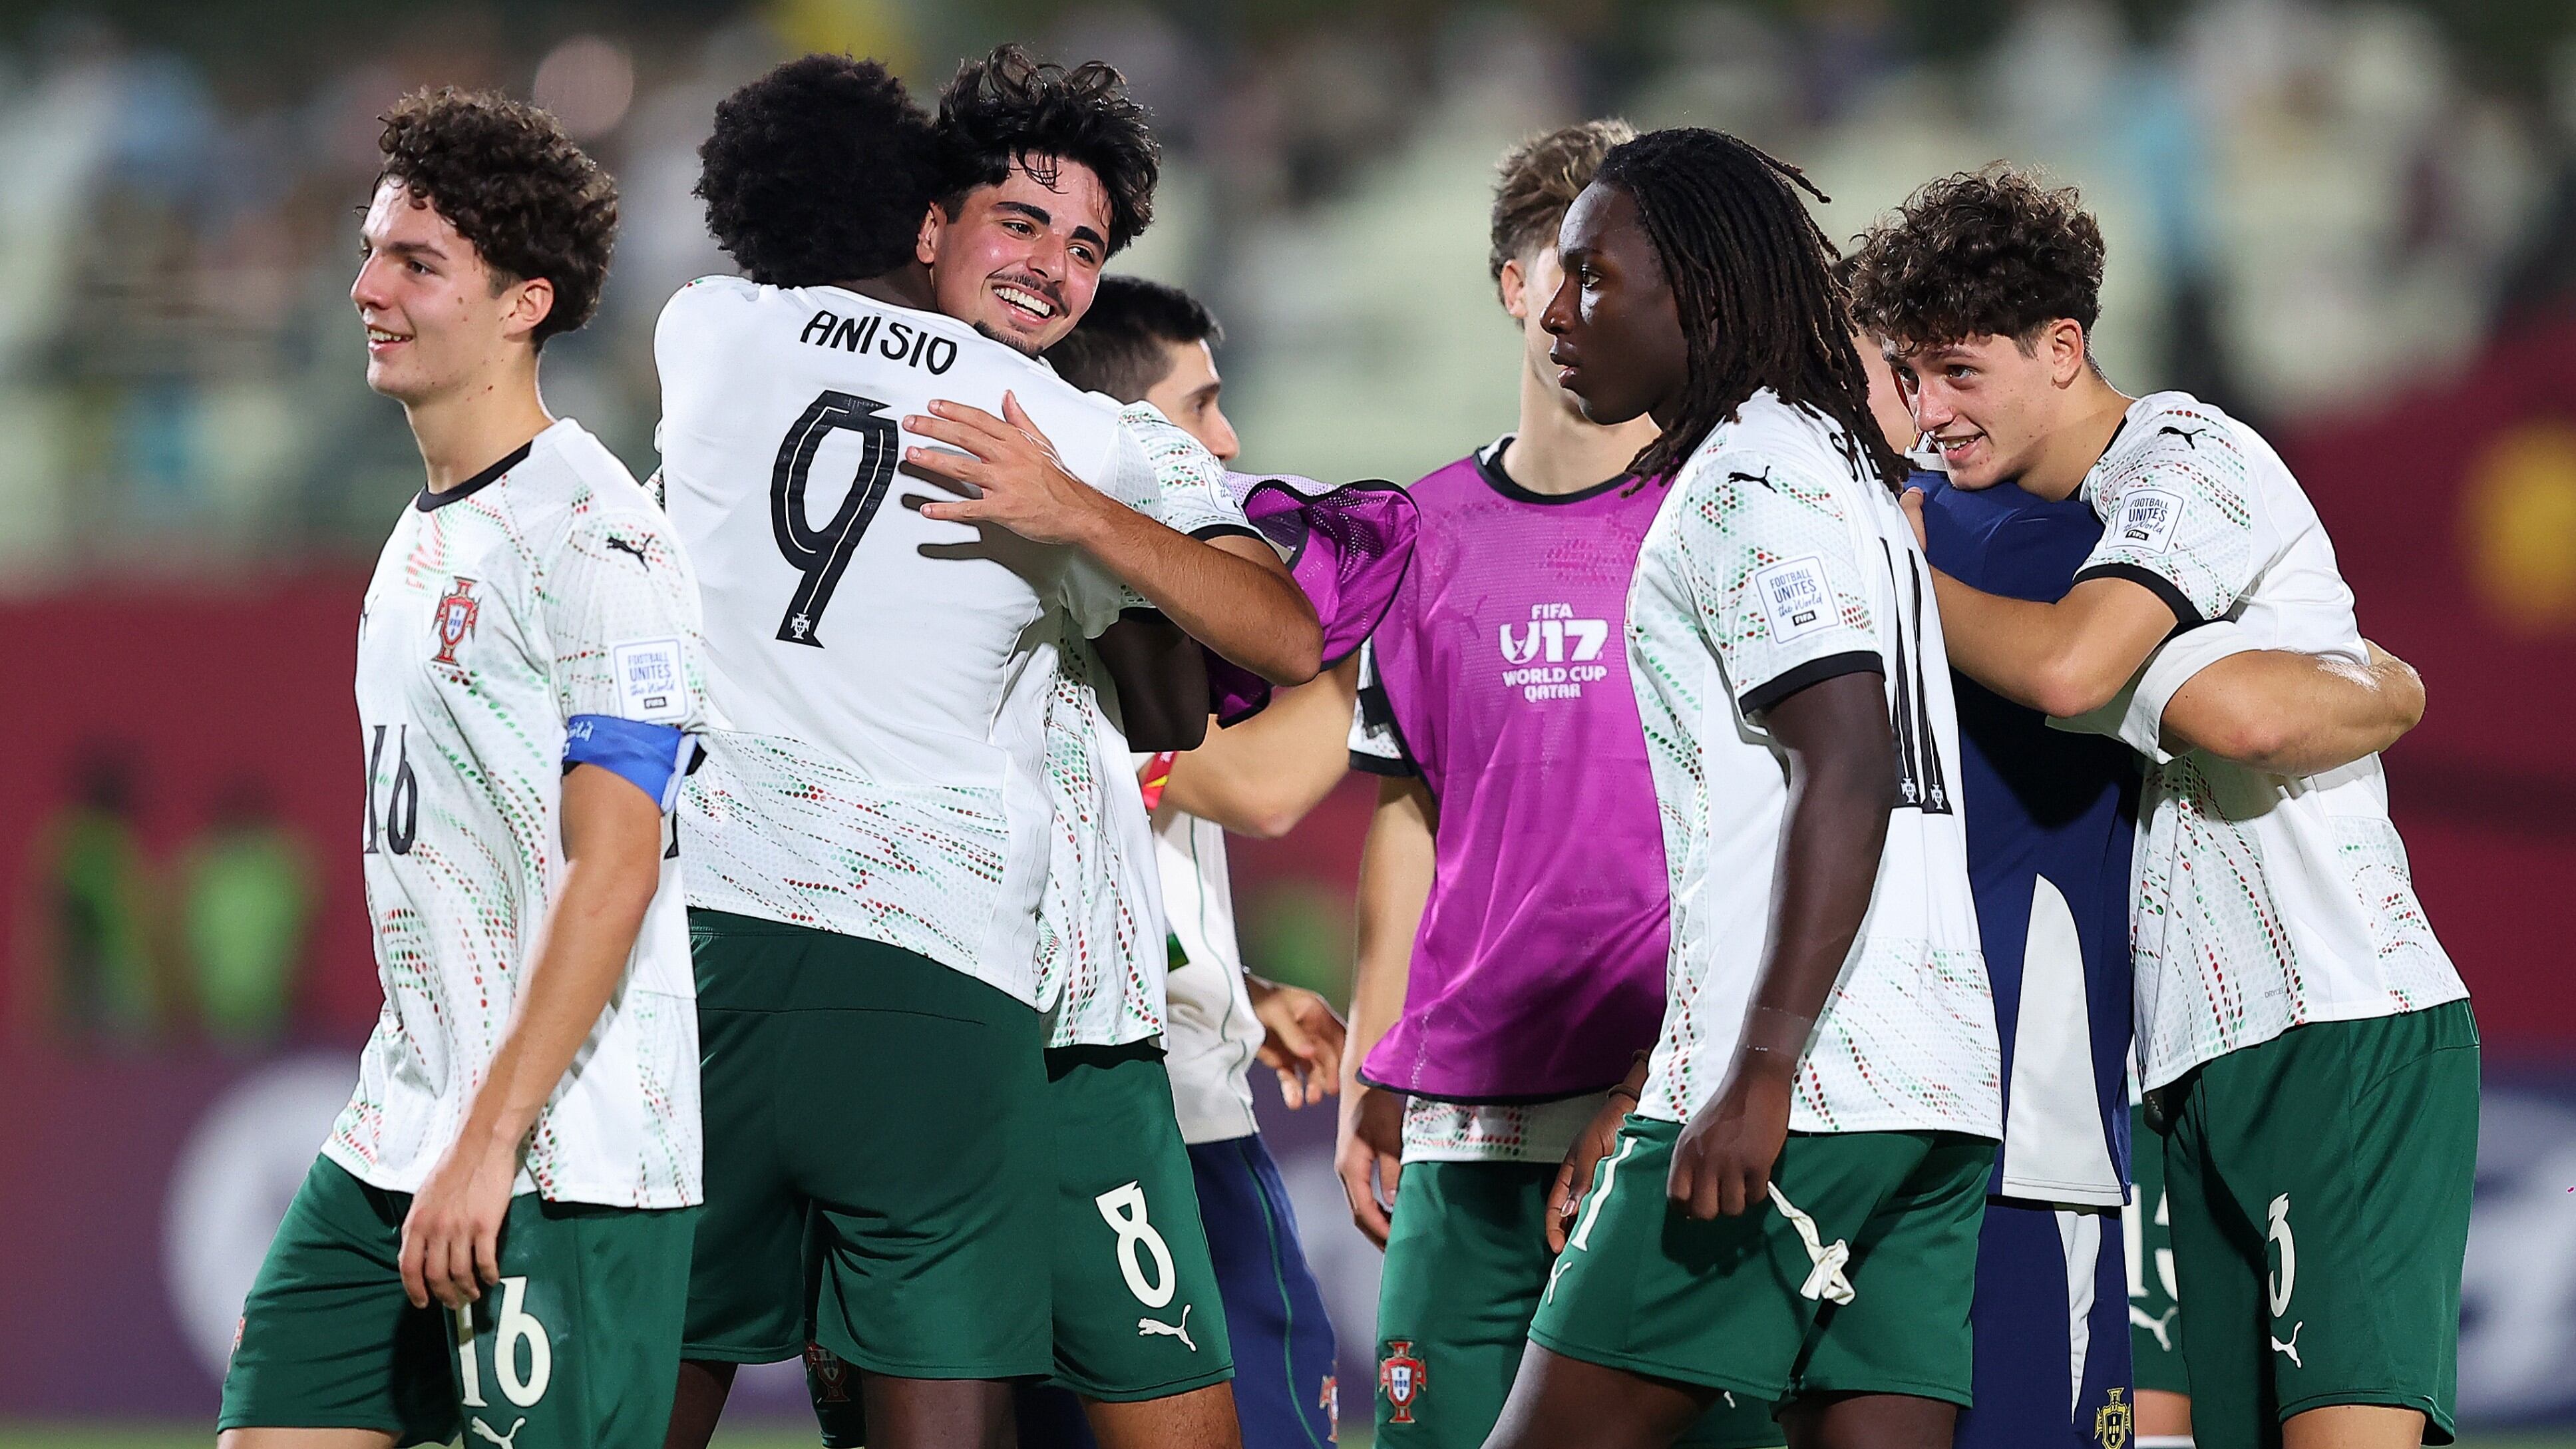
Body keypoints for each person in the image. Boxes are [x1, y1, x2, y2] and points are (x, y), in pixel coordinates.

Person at [657, 52, 1318, 1449]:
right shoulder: (1080, 431)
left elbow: (1248, 656)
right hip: (935, 983)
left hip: (1074, 1015)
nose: (1050, 268)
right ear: (926, 222)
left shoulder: (1084, 444)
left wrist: (1075, 518)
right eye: (1020, 222)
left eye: (1084, 247)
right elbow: (1198, 690)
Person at [1850, 166, 2474, 1449]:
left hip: (2336, 1015)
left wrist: (1902, 580)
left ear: (2064, 347)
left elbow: (2101, 674)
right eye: (1912, 377)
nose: (1931, 412)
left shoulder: (2186, 458)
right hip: (2184, 1051)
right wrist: (2375, 684)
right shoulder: (2044, 529)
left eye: (1960, 372)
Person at [1492, 125, 2002, 1449]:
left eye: (1594, 277)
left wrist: (1761, 1065)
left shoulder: (1746, 484)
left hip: (1800, 1081)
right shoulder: (1835, 463)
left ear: (1701, 296)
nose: (1556, 309)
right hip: (1929, 1085)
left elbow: (1847, 756)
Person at [220, 90, 709, 1449]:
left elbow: (615, 869)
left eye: (416, 263)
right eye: (373, 250)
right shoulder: (423, 532)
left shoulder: (599, 543)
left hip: (564, 1149)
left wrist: (494, 1143)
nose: (367, 286)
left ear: (523, 303)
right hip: (401, 1125)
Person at [1332, 120, 1777, 1449]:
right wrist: (1374, 1054)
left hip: (1673, 1132)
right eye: (1575, 261)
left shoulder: (1728, 517)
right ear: (1514, 283)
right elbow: (1411, 807)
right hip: (1466, 1134)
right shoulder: (1416, 535)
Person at [1043, 274, 1353, 1449]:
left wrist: (1235, 984)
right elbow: (1262, 787)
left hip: (1123, 1095)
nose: (1227, 441)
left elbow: (1125, 850)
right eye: (1201, 407)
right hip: (1163, 1135)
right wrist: (1362, 629)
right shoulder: (1101, 630)